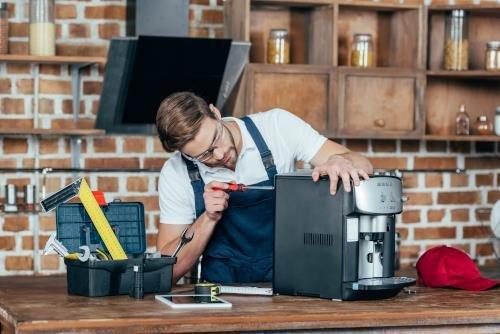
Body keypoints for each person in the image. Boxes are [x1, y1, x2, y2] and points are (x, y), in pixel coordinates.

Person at [156, 91, 373, 284]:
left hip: (290, 283)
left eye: (216, 138)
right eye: (204, 155)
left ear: (216, 113)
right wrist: (208, 218)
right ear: (185, 154)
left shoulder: (277, 127)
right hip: (222, 293)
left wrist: (339, 160)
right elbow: (167, 271)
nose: (220, 155)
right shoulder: (176, 172)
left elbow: (364, 165)